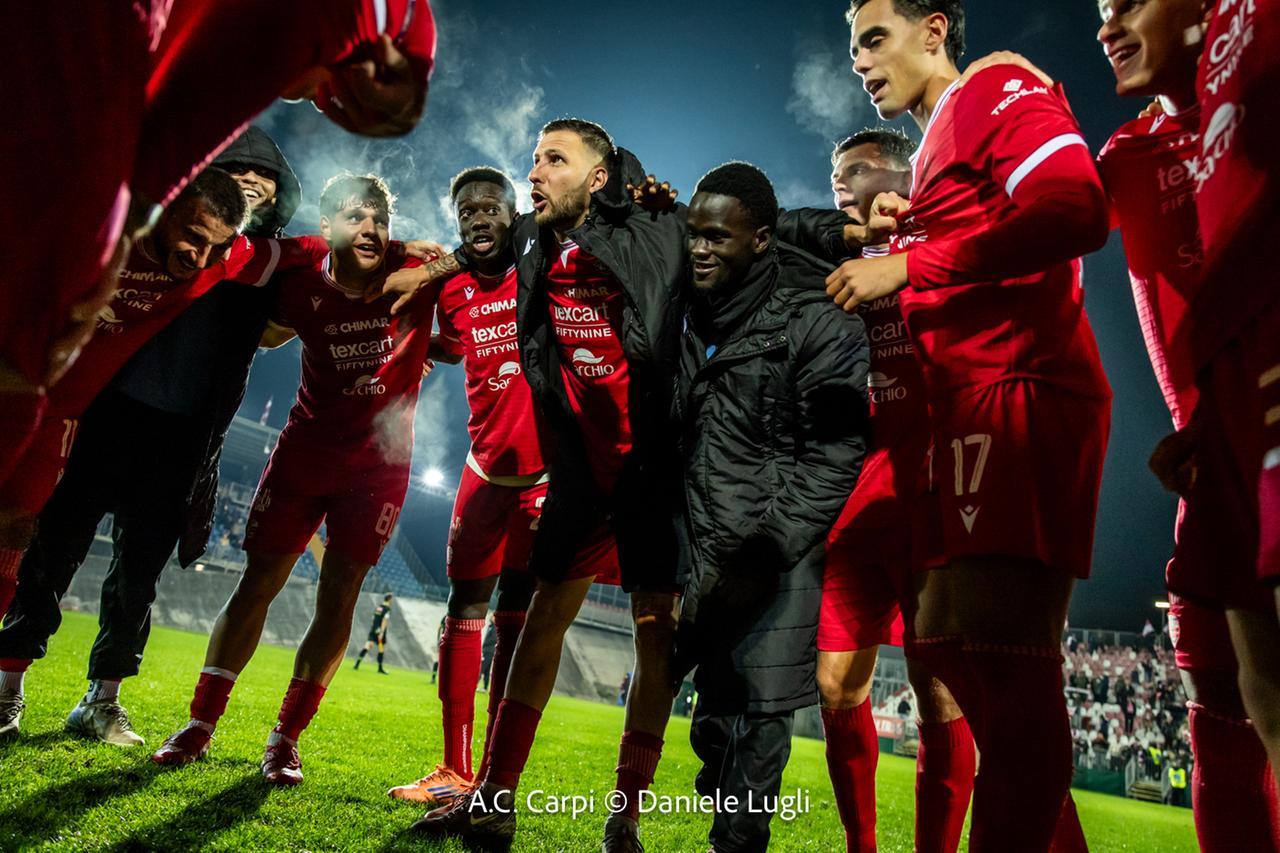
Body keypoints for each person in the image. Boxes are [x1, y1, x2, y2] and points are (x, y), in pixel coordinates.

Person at [831, 2, 1113, 848]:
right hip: (961, 411)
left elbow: (1074, 210)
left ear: (935, 29)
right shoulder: (931, 150)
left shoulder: (997, 82)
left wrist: (912, 260)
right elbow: (974, 235)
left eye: (875, 38)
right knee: (951, 647)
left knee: (1003, 662)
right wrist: (910, 225)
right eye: (851, 49)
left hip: (1021, 391)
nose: (860, 60)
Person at [0, 1, 438, 492]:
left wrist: (397, 253)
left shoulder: (223, 255)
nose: (196, 256)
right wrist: (118, 237)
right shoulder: (310, 27)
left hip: (82, 404)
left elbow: (300, 254)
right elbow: (197, 110)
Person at [407, 119, 683, 852]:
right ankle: (493, 798)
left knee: (658, 640)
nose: (534, 172)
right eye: (533, 157)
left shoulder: (655, 227)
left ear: (599, 176)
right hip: (581, 473)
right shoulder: (533, 241)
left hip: (655, 469)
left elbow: (737, 234)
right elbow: (476, 248)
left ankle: (625, 816)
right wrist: (427, 268)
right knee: (537, 625)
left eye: (552, 160)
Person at [0, 132, 301, 748]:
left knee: (139, 573)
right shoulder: (163, 232)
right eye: (238, 172)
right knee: (52, 550)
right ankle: (7, 688)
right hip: (103, 410)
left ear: (276, 201)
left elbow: (282, 325)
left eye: (262, 183)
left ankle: (102, 700)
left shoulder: (257, 264)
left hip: (183, 434)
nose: (249, 184)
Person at [148, 173, 437, 784]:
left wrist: (430, 336)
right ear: (327, 225)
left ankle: (285, 740)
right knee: (259, 582)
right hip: (304, 453)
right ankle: (200, 723)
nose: (370, 230)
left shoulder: (420, 272)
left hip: (379, 468)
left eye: (379, 220)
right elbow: (262, 317)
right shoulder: (301, 276)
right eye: (354, 217)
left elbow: (465, 327)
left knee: (340, 597)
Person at [1089, 0, 1280, 846]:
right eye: (1098, 10)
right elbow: (1039, 220)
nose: (1105, 27)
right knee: (1231, 708)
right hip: (1209, 460)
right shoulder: (1127, 153)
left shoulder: (1260, 55)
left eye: (1126, 2)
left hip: (1260, 420)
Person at [676, 161, 869, 853]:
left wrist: (769, 547)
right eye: (692, 233)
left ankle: (739, 839)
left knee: (761, 727)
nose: (697, 247)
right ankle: (720, 782)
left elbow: (835, 454)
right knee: (712, 727)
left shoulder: (820, 320)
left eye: (715, 237)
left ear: (757, 241)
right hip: (701, 545)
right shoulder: (694, 298)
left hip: (778, 557)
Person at [817, 129, 973, 853]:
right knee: (835, 682)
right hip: (870, 481)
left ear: (897, 169)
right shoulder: (843, 251)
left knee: (938, 687)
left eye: (851, 170)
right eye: (834, 173)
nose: (839, 183)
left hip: (942, 476)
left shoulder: (950, 229)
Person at [385, 168, 538, 807]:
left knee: (518, 621)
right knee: (464, 612)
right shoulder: (450, 288)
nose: (479, 216)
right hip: (483, 469)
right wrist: (433, 345)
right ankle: (454, 768)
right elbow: (452, 336)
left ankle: (496, 780)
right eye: (466, 209)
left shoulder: (542, 269)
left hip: (545, 476)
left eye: (491, 207)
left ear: (514, 214)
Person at [1169, 0, 1280, 785]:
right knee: (1262, 685)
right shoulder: (1213, 61)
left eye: (1125, 4)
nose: (1107, 24)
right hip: (1230, 376)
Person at [355, 593, 394, 673]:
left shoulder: (378, 608)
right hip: (380, 632)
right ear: (389, 599)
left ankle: (357, 664)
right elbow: (384, 621)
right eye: (392, 599)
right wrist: (382, 633)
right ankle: (380, 668)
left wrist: (374, 629)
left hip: (373, 631)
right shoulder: (387, 609)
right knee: (381, 649)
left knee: (367, 646)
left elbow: (373, 618)